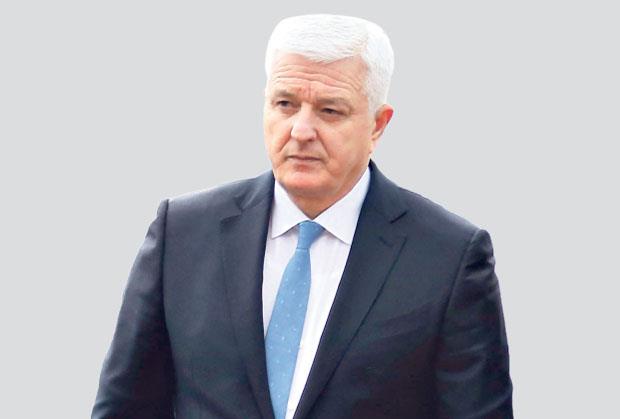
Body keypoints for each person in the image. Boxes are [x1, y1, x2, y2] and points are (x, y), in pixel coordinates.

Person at [92, 14, 513, 419]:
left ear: (377, 125)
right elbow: (125, 407)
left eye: (330, 110)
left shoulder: (449, 258)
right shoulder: (183, 234)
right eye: (285, 104)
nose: (300, 130)